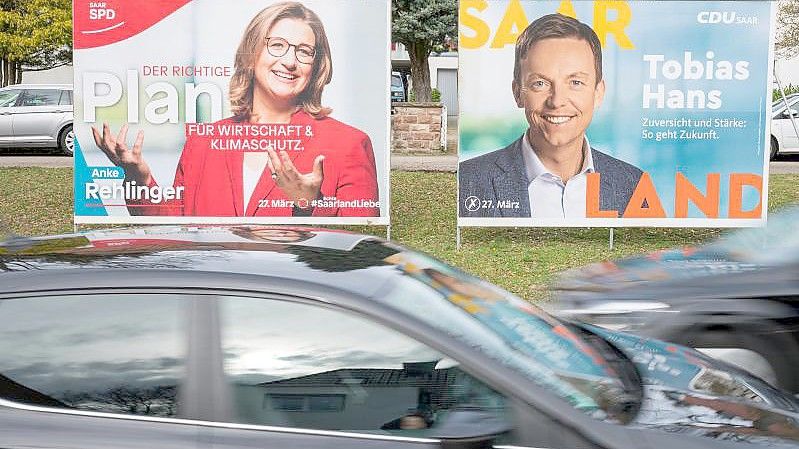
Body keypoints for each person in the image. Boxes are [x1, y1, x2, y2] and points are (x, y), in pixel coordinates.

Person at [92, 1, 379, 217]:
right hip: (214, 291)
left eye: (304, 51)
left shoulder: (349, 145)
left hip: (293, 294)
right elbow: (176, 230)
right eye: (277, 45)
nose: (290, 61)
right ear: (252, 53)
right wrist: (138, 178)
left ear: (316, 66)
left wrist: (310, 204)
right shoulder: (203, 141)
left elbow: (359, 251)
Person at [459, 13, 642, 219]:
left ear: (598, 93)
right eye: (540, 83)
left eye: (575, 82)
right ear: (518, 93)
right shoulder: (467, 181)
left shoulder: (633, 184)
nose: (556, 101)